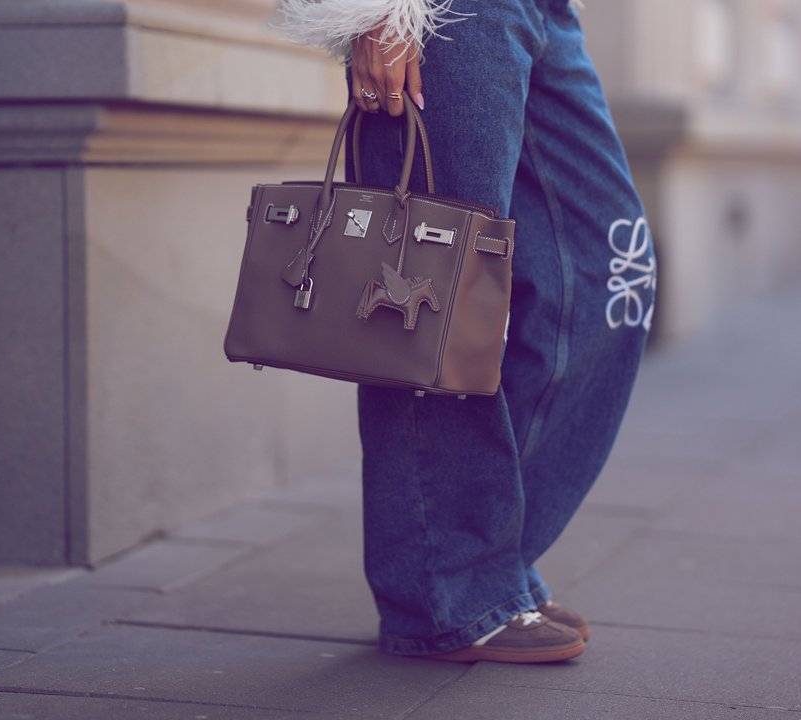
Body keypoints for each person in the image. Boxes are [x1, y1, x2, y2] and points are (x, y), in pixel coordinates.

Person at [278, 0, 656, 663]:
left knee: (611, 273)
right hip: (441, 13)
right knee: (430, 309)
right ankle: (444, 590)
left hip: (542, 12)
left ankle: (484, 561)